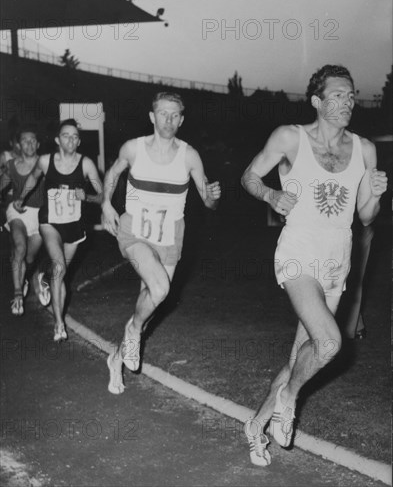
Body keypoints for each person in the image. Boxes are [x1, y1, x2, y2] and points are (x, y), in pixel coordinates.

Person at [241, 65, 387, 466]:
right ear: (318, 101)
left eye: (351, 96)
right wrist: (271, 196)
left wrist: (375, 196)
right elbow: (249, 176)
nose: (347, 103)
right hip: (298, 253)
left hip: (337, 260)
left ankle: (256, 426)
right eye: (337, 96)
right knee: (329, 343)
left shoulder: (365, 150)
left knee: (300, 358)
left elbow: (366, 216)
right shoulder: (290, 137)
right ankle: (288, 401)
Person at [101, 92, 221, 395]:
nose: (168, 119)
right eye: (162, 113)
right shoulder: (134, 148)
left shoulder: (190, 155)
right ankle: (134, 330)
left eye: (174, 115)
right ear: (152, 117)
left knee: (152, 299)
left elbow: (207, 202)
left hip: (170, 236)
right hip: (135, 231)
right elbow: (113, 173)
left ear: (181, 120)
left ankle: (116, 357)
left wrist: (212, 197)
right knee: (160, 289)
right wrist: (105, 203)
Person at [13, 119, 103, 341]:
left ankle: (44, 277)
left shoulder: (87, 164)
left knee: (59, 272)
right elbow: (32, 179)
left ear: (79, 141)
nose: (70, 140)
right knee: (60, 266)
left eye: (74, 136)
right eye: (66, 135)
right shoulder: (45, 161)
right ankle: (59, 324)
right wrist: (21, 198)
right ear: (57, 140)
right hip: (49, 221)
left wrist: (88, 196)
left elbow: (103, 196)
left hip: (74, 223)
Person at [0, 127, 49, 315]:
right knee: (20, 248)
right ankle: (18, 294)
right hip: (17, 212)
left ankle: (30, 277)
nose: (28, 144)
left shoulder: (45, 164)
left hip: (39, 215)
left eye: (32, 140)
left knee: (29, 258)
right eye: (24, 141)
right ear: (19, 145)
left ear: (37, 144)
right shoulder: (12, 165)